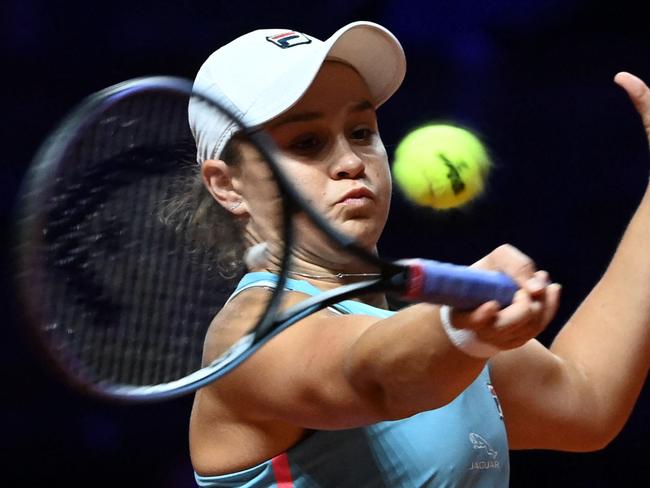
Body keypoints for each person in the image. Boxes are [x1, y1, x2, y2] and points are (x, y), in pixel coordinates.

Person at [185, 21, 650, 487]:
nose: (350, 161)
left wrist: (462, 329)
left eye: (361, 130)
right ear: (228, 185)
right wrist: (460, 326)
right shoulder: (247, 335)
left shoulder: (424, 324)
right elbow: (372, 377)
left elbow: (587, 399)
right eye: (307, 142)